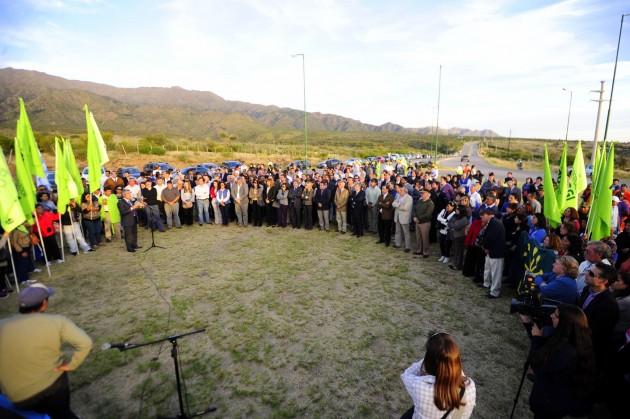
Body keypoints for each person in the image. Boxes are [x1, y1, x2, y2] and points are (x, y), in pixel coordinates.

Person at [0, 283, 93, 418]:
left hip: (16, 397)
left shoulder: (2, 325)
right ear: (44, 303)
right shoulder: (57, 321)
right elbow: (86, 343)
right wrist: (70, 365)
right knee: (62, 414)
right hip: (51, 389)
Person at [528, 304, 596, 418]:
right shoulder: (577, 339)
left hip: (551, 401)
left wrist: (536, 338)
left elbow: (537, 364)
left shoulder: (566, 351)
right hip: (557, 397)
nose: (551, 316)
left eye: (556, 315)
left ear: (566, 323)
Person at [400, 332, 476, 419]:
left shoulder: (419, 387)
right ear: (456, 362)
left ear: (429, 361)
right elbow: (458, 373)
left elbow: (406, 374)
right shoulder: (470, 387)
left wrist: (429, 358)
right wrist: (452, 361)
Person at [480, 208, 506, 299]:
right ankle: (488, 285)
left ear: (487, 215)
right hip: (492, 251)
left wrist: (486, 247)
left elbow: (491, 237)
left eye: (482, 217)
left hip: (496, 252)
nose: (481, 219)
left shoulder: (494, 223)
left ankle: (495, 292)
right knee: (490, 269)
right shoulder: (493, 222)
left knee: (496, 273)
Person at [118, 188, 144, 252]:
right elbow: (123, 212)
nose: (130, 194)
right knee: (128, 235)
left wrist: (138, 207)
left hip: (134, 219)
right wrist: (132, 208)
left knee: (134, 233)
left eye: (130, 193)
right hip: (127, 221)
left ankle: (134, 245)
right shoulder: (121, 202)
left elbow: (133, 209)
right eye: (128, 193)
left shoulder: (131, 201)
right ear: (124, 195)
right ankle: (129, 248)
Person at [413, 188, 434, 257]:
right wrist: (414, 217)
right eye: (421, 193)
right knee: (418, 237)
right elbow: (415, 209)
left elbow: (427, 214)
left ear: (427, 195)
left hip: (425, 223)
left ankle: (426, 252)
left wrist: (418, 218)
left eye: (423, 193)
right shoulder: (420, 201)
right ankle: (419, 250)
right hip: (418, 222)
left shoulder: (430, 203)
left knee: (425, 238)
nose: (421, 194)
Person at [611, 271, 630, 346]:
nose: (613, 281)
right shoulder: (617, 292)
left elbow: (605, 311)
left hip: (615, 334)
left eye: (617, 280)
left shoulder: (624, 301)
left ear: (626, 286)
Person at [447, 204, 469, 271]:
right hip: (454, 235)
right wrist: (452, 224)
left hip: (460, 237)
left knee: (459, 252)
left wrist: (452, 224)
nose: (456, 210)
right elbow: (449, 222)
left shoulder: (464, 218)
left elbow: (456, 226)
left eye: (457, 209)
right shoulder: (455, 216)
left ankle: (458, 265)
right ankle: (455, 263)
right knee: (455, 251)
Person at [393, 184, 413, 252]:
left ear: (405, 191)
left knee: (406, 233)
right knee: (397, 231)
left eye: (401, 190)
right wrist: (399, 204)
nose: (399, 191)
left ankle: (407, 247)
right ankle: (397, 243)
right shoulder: (399, 197)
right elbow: (393, 203)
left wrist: (397, 205)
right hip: (397, 216)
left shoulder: (409, 198)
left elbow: (405, 207)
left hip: (404, 217)